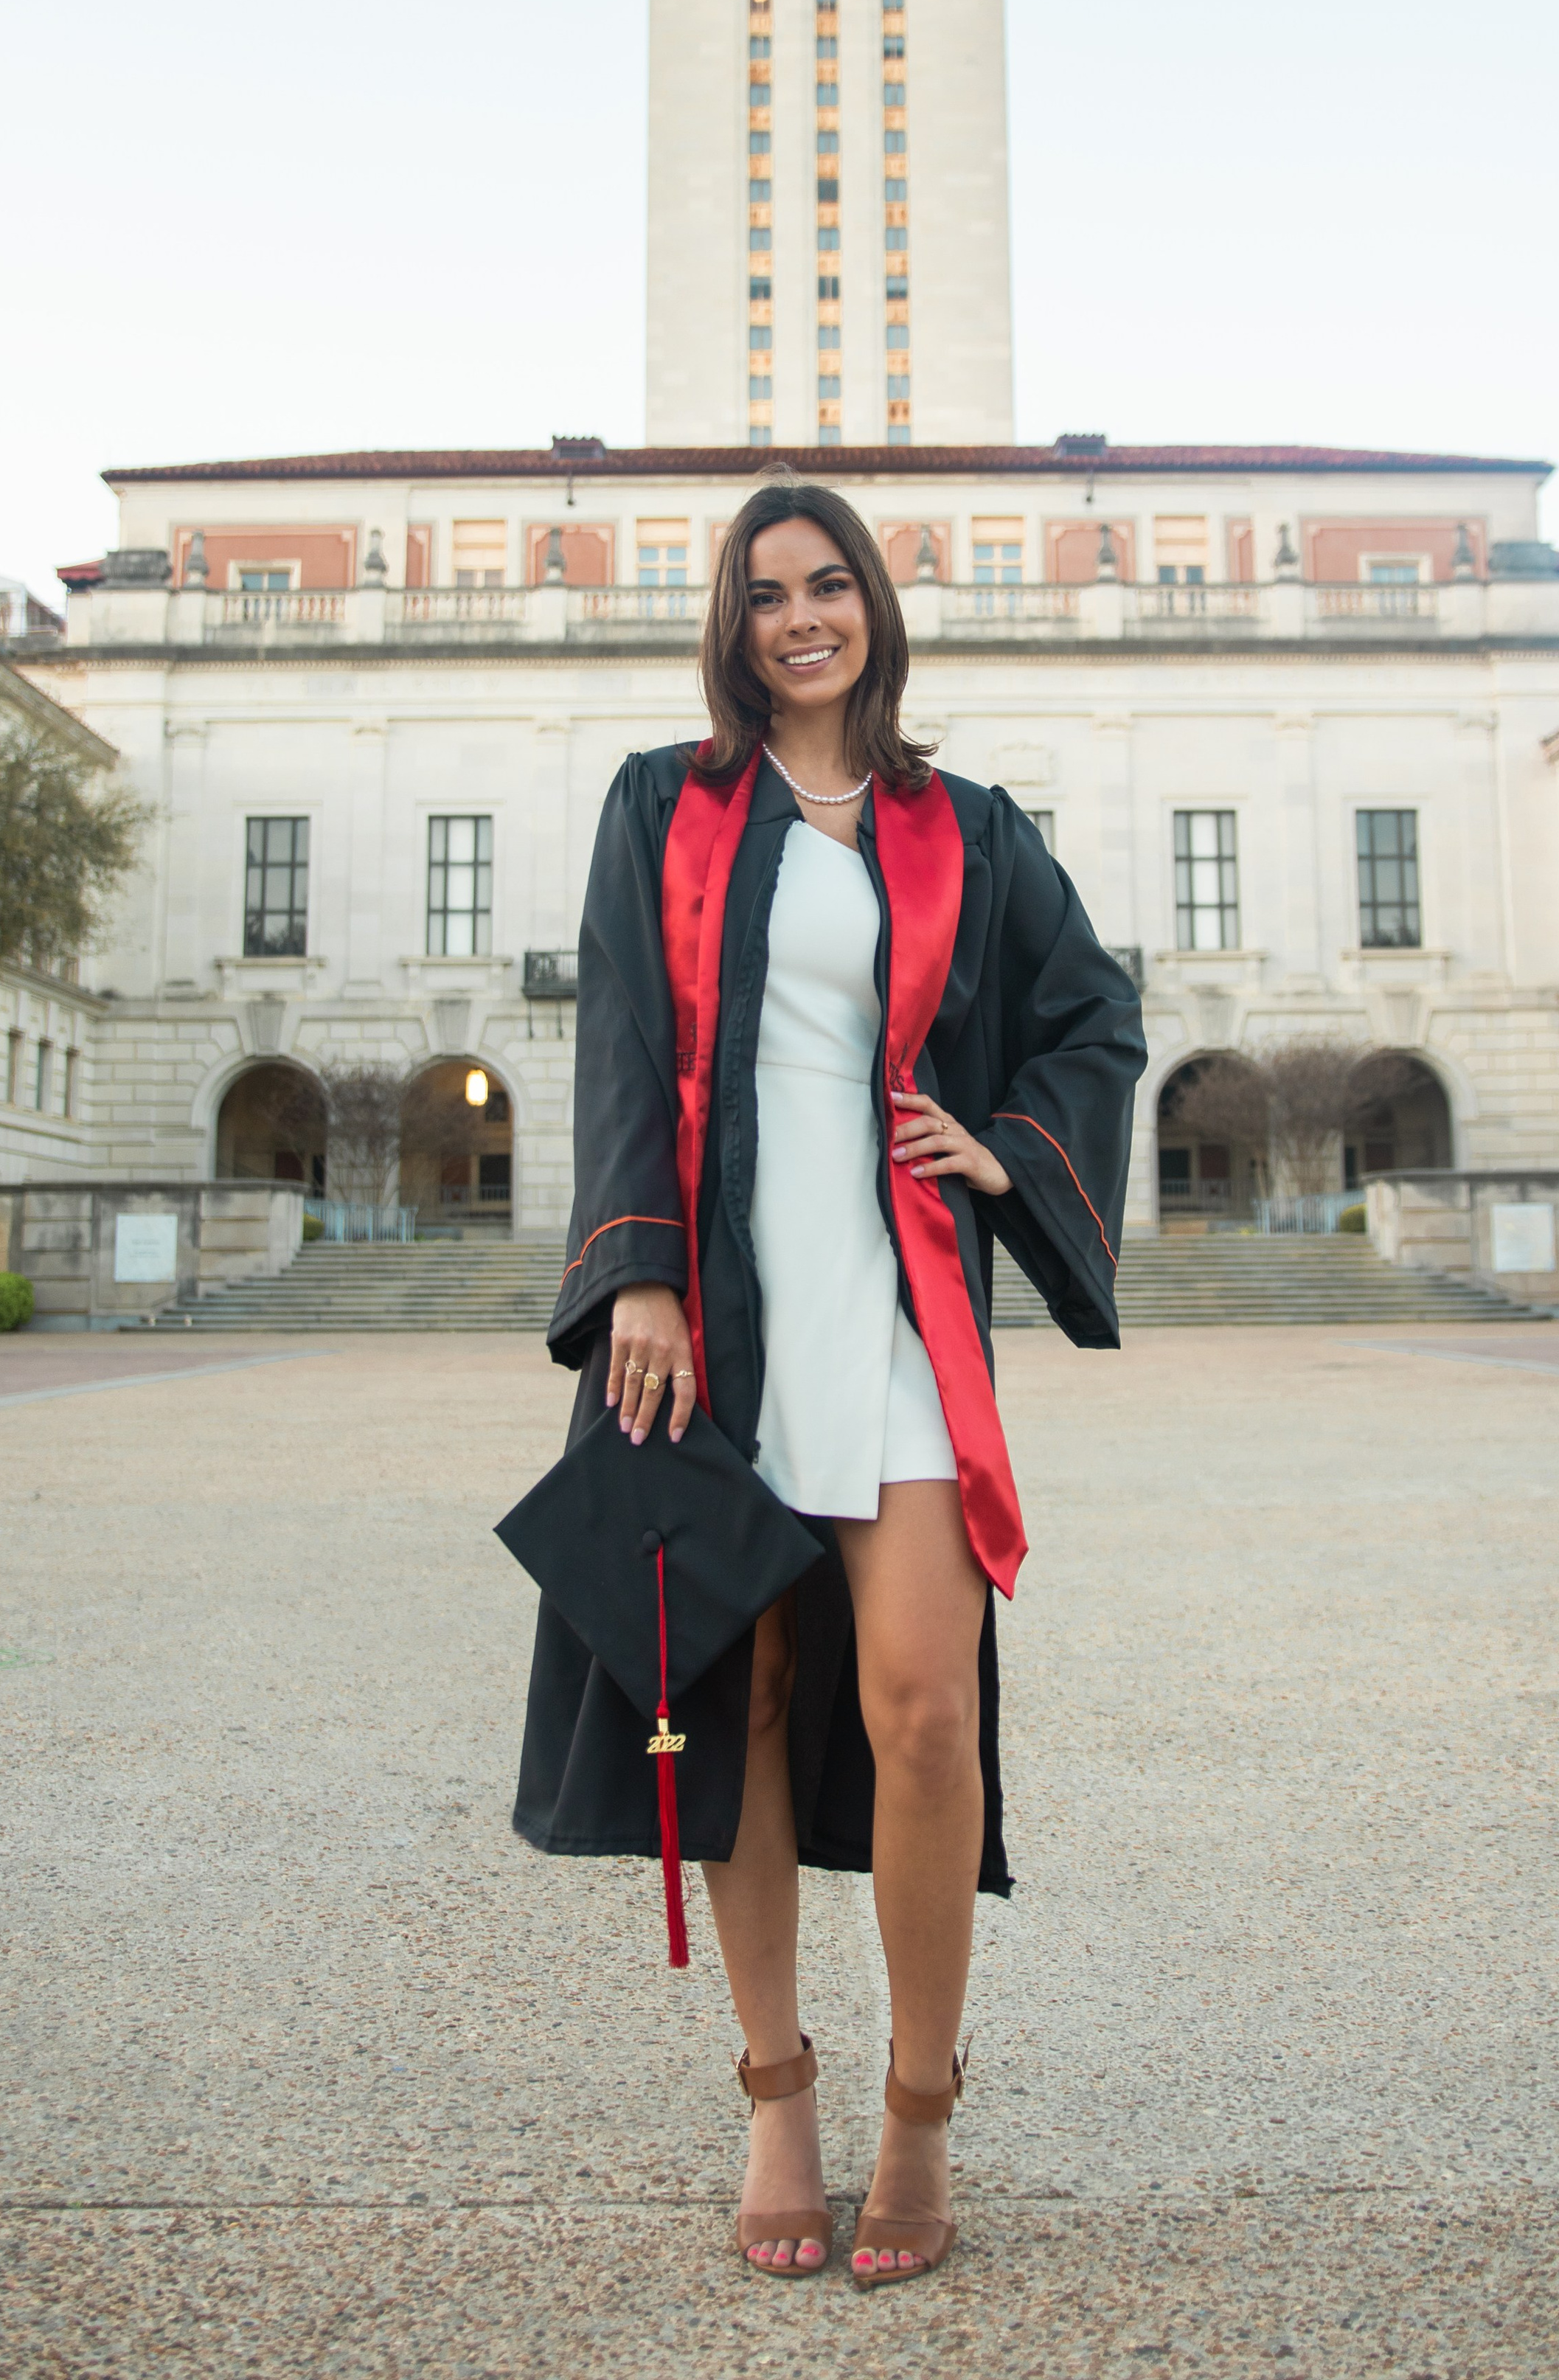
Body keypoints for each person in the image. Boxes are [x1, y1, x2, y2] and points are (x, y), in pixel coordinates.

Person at [513, 473, 1145, 2286]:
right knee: (749, 1701)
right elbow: (627, 1040)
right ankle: (775, 2092)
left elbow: (1092, 1014)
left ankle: (920, 2108)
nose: (800, 617)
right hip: (721, 1308)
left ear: (874, 603)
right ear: (732, 625)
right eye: (765, 593)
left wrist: (1009, 1146)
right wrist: (632, 1266)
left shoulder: (968, 828)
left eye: (829, 584)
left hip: (897, 1313)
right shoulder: (670, 802)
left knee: (923, 1704)